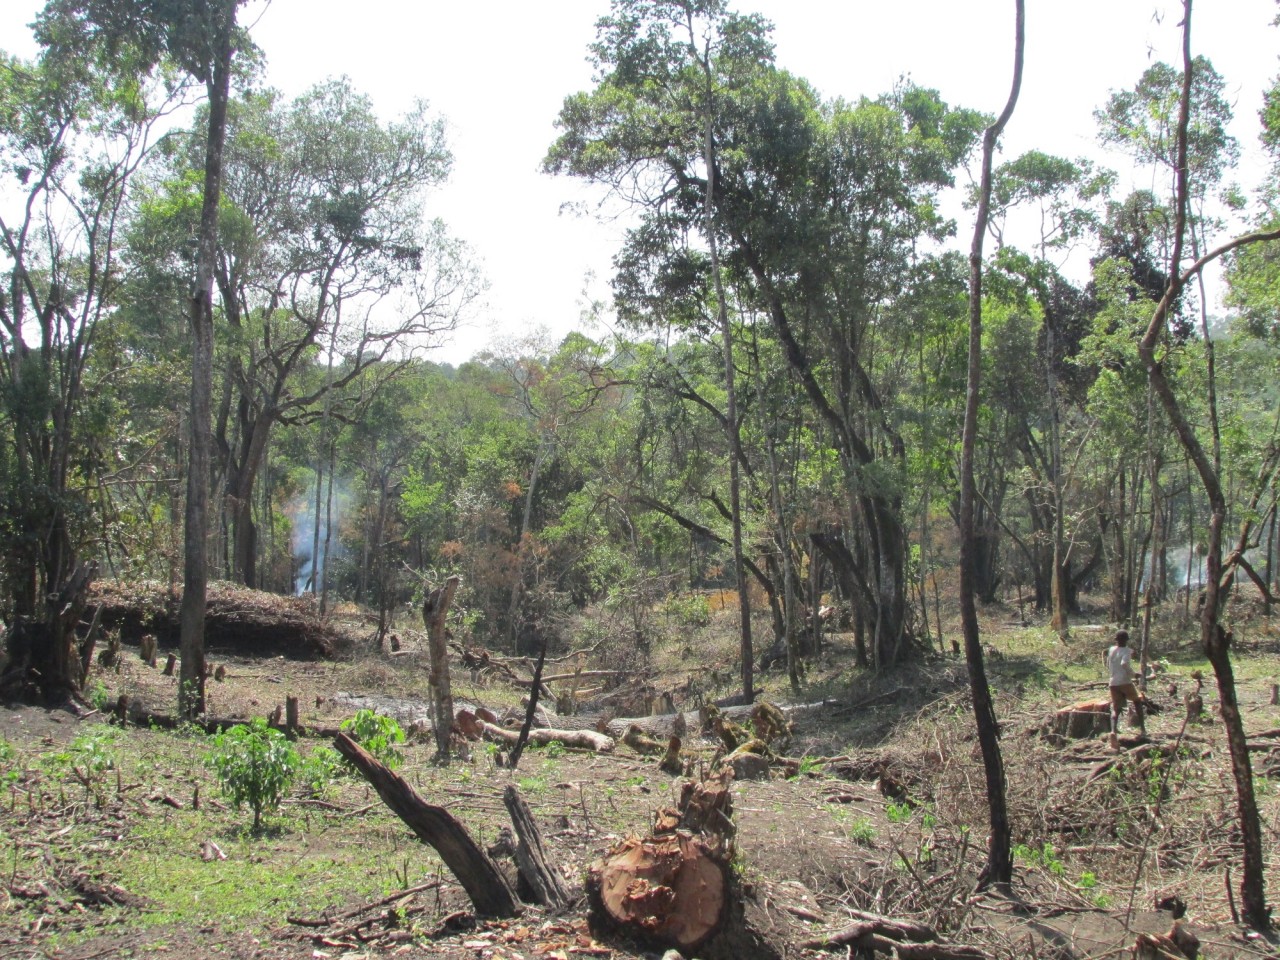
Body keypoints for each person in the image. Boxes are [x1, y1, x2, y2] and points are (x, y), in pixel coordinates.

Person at [1105, 629, 1143, 750]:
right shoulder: (1126, 651)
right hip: (1125, 681)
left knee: (1116, 708)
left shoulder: (1111, 650)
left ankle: (1113, 731)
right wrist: (1134, 674)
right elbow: (1124, 663)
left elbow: (1108, 663)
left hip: (1113, 682)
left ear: (1116, 640)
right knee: (1137, 702)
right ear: (1126, 640)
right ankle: (1143, 729)